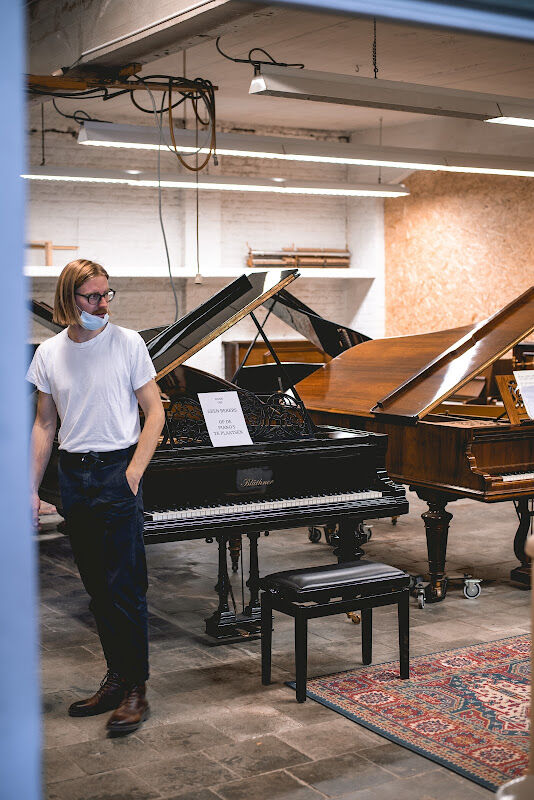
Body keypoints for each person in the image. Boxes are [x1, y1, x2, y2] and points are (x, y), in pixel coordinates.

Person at [27, 258, 165, 735]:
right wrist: (29, 489)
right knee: (98, 592)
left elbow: (155, 413)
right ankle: (116, 677)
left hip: (115, 472)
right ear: (69, 300)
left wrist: (133, 473)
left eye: (108, 295)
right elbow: (45, 425)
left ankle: (136, 690)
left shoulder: (128, 344)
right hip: (74, 478)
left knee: (126, 589)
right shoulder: (48, 353)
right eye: (92, 297)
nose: (102, 304)